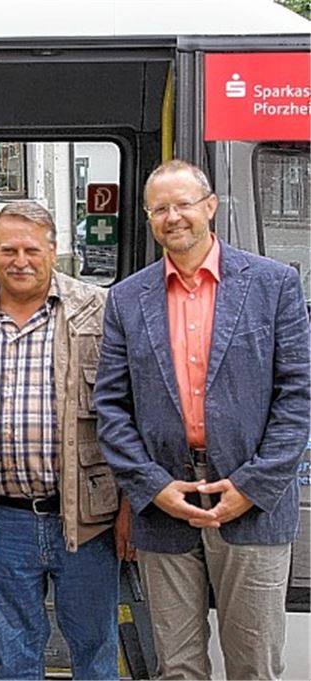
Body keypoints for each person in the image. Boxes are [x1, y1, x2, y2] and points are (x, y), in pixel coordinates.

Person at [95, 160, 310, 680]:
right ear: (149, 218)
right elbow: (112, 406)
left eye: (184, 204)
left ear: (210, 207)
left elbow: (298, 397)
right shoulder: (126, 298)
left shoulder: (274, 284)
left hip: (253, 507)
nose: (174, 217)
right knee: (178, 669)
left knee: (254, 667)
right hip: (165, 506)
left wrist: (252, 485)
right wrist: (152, 487)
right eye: (160, 208)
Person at [0, 201, 127, 680]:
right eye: (7, 249)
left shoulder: (97, 309)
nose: (19, 260)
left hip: (85, 518)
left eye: (30, 249)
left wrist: (129, 505)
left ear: (53, 250)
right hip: (2, 522)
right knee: (15, 657)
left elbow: (129, 411)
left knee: (95, 652)